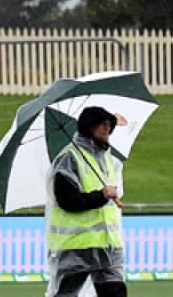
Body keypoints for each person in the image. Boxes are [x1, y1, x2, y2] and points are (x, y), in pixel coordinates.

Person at [45, 105, 127, 297]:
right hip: (76, 246)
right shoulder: (68, 159)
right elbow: (67, 201)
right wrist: (101, 196)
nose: (107, 128)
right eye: (102, 124)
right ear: (89, 127)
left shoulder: (108, 161)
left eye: (109, 124)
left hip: (108, 246)